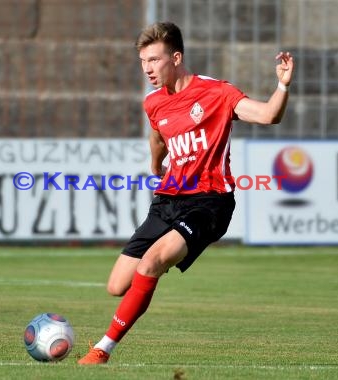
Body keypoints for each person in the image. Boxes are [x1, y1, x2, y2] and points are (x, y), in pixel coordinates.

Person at [77, 21, 294, 365]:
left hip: (209, 202)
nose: (148, 69)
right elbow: (159, 135)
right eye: (143, 62)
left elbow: (269, 115)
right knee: (118, 286)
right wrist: (155, 164)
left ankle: (102, 349)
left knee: (151, 263)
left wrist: (282, 85)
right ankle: (141, 292)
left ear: (176, 57)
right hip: (168, 200)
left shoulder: (217, 93)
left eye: (154, 60)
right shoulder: (154, 103)